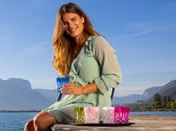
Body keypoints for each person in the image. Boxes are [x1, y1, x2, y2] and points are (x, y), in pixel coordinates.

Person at [24, 2, 122, 131]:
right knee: (29, 125)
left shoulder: (97, 42)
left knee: (41, 120)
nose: (70, 25)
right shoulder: (71, 50)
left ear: (82, 19)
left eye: (73, 19)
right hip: (73, 102)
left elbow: (114, 77)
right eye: (65, 22)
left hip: (96, 109)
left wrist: (81, 90)